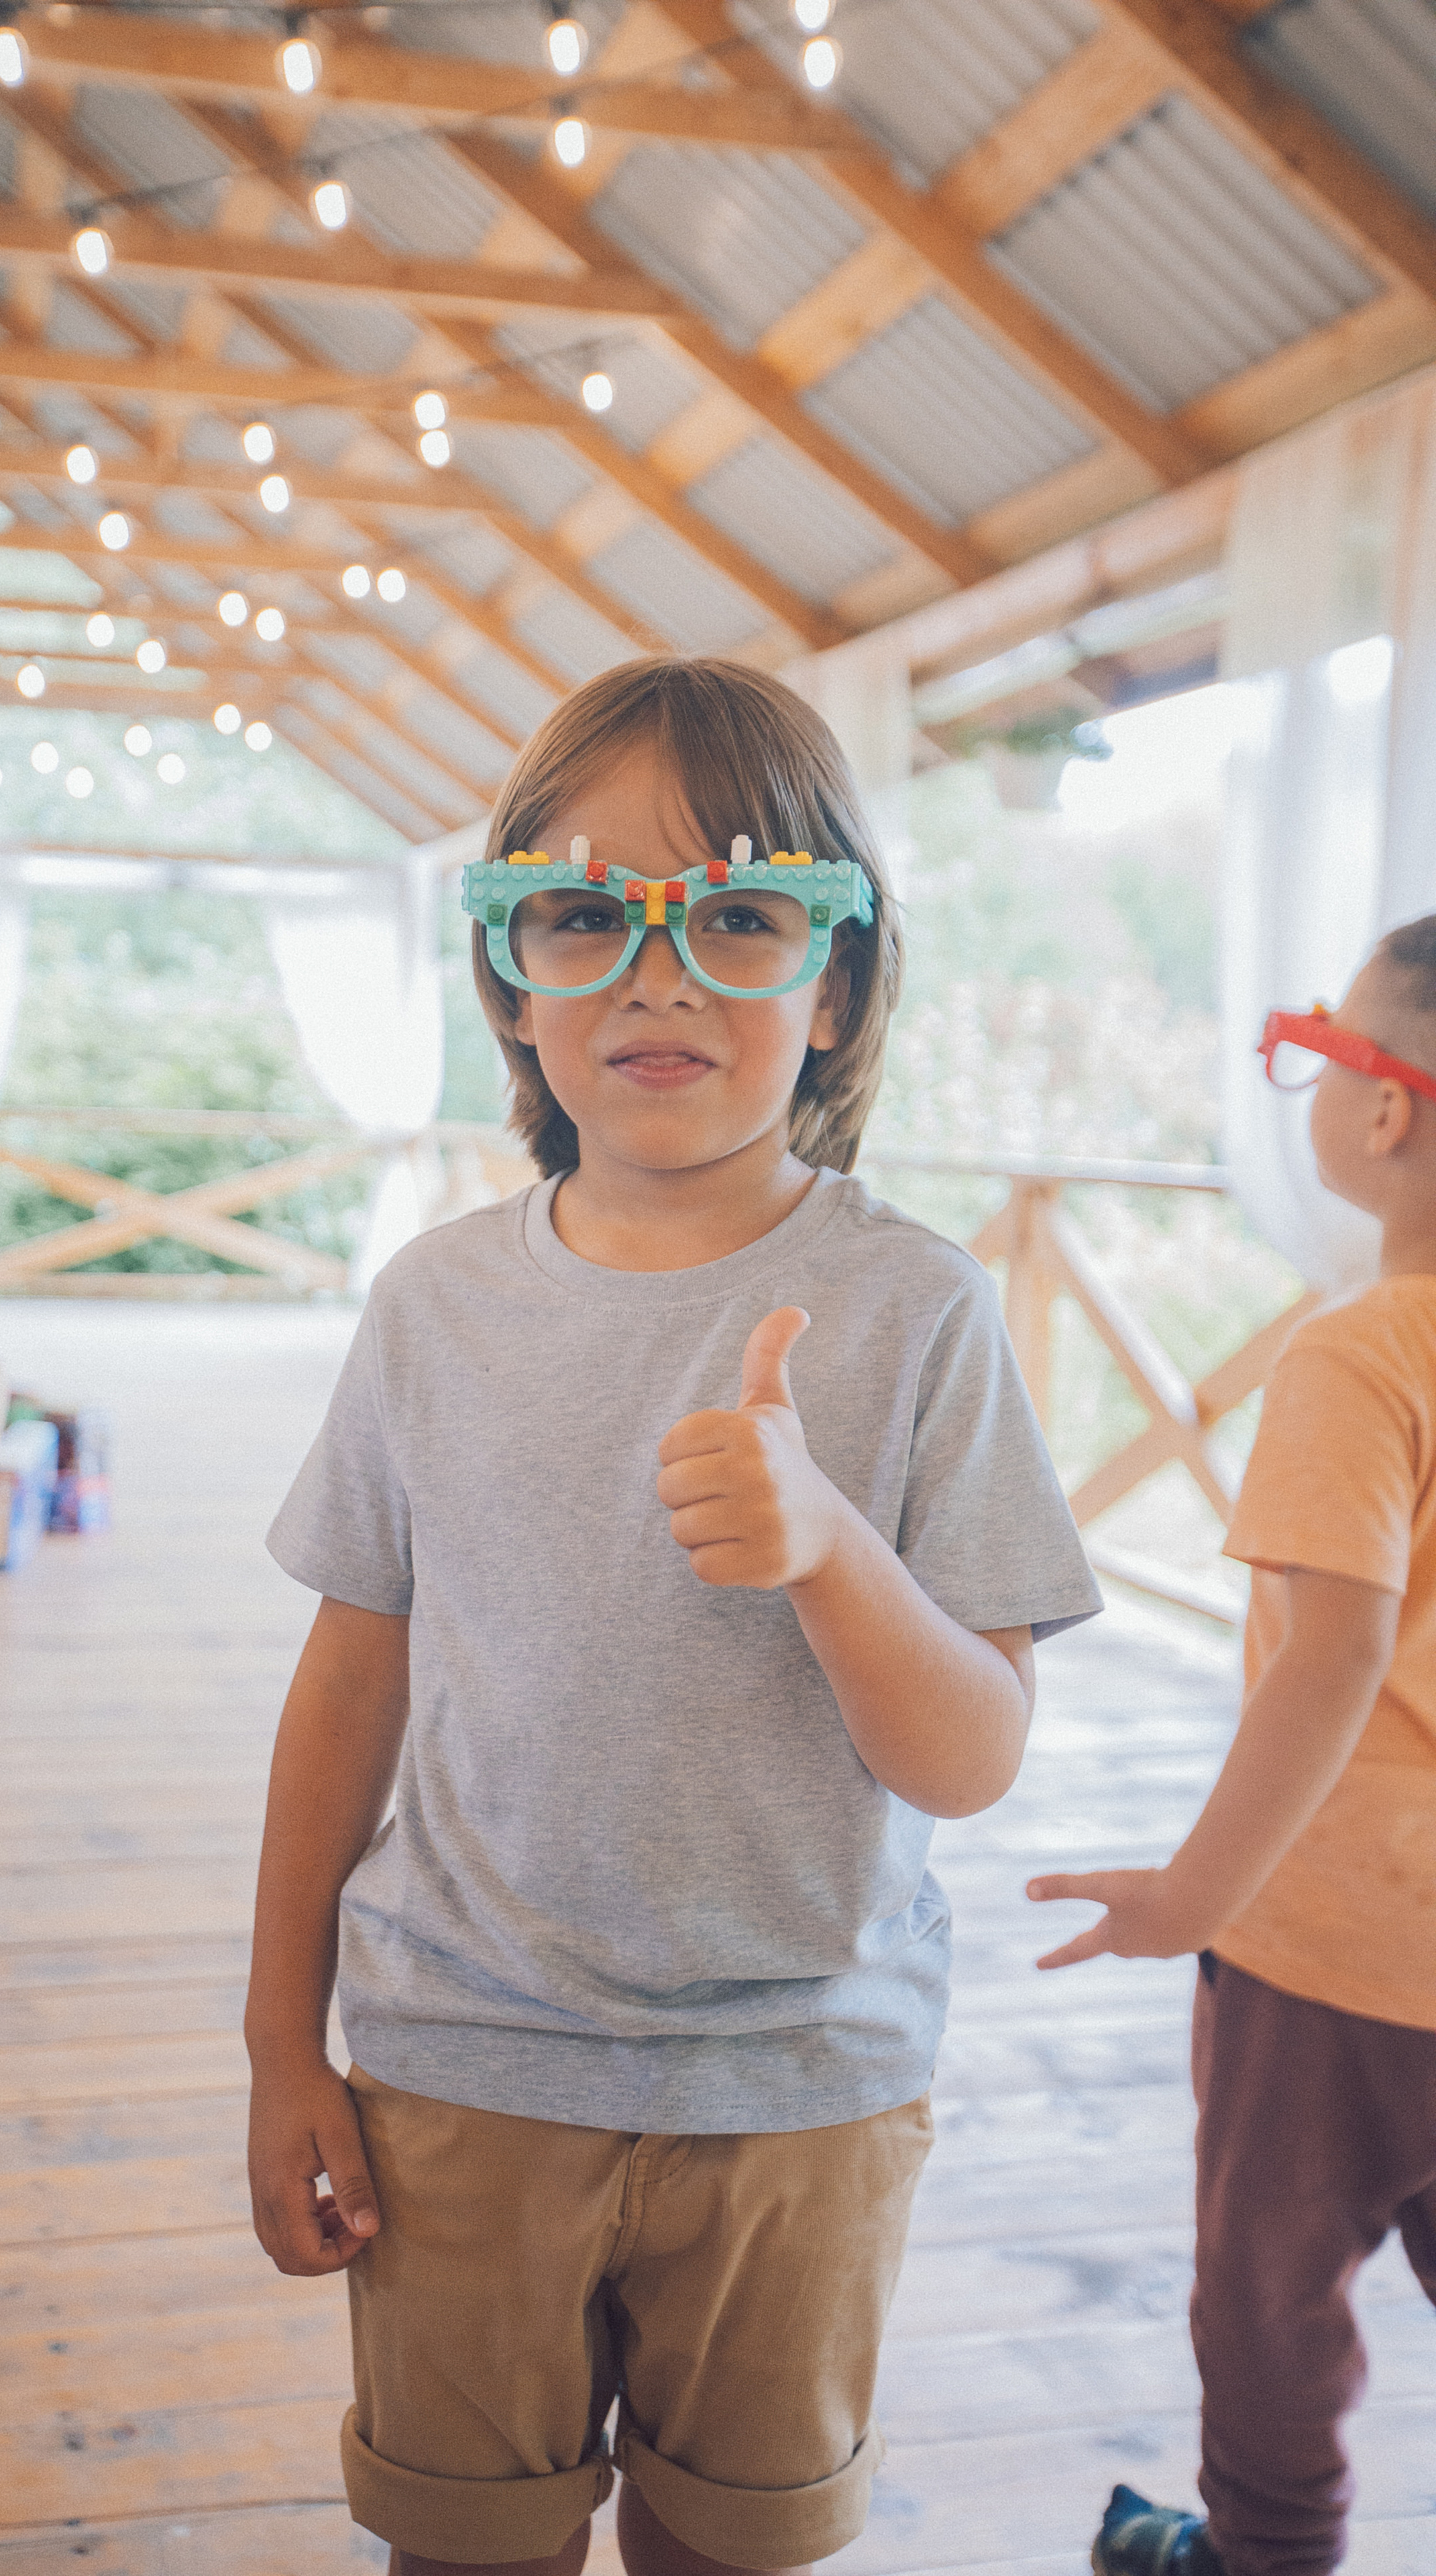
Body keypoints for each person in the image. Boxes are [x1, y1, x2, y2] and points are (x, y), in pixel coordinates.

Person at [247, 655, 1101, 2576]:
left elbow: (972, 1757)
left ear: (841, 986)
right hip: (459, 2076)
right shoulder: (432, 1303)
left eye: (737, 915)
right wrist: (277, 2048)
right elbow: (346, 1685)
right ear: (510, 981)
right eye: (582, 914)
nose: (659, 976)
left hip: (801, 2097)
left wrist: (830, 1550)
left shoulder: (918, 1313)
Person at [1030, 919, 1436, 2576]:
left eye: (1317, 1052)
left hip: (1332, 1940)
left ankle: (1264, 2555)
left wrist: (1195, 1892)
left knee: (1266, 2289)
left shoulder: (1359, 1347)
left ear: (1385, 1111)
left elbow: (1333, 1650)